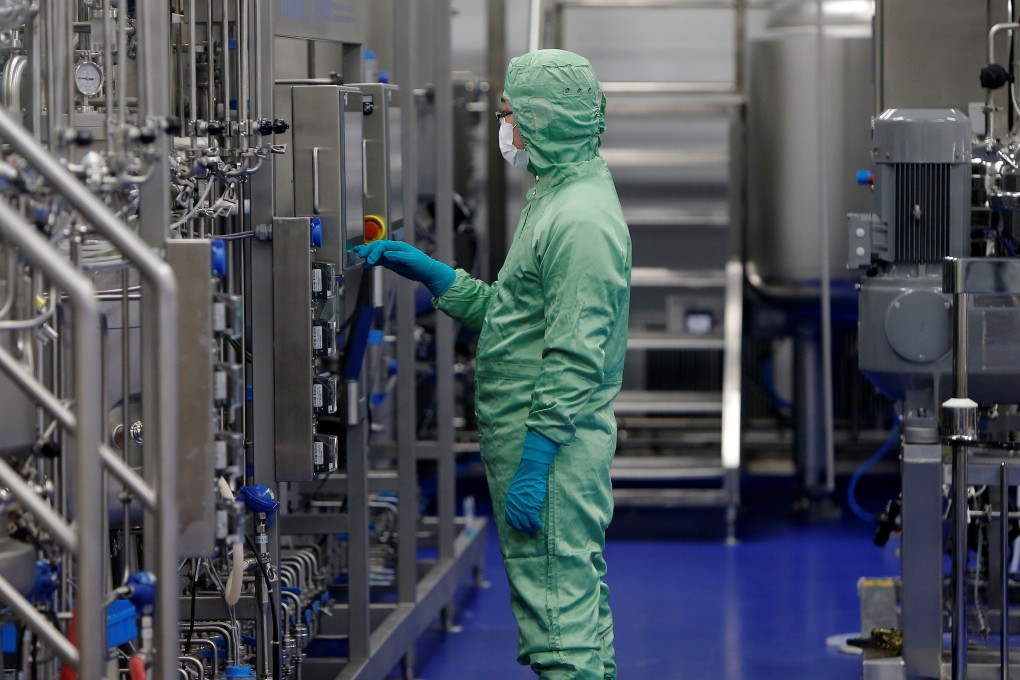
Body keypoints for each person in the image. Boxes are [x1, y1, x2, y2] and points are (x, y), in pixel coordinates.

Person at [355, 49, 631, 680]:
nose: (505, 128)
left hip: (551, 450)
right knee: (568, 610)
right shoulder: (557, 195)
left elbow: (575, 354)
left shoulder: (579, 218)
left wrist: (536, 462)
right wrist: (437, 277)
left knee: (560, 626)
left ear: (542, 117)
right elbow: (517, 316)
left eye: (509, 114)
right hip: (537, 440)